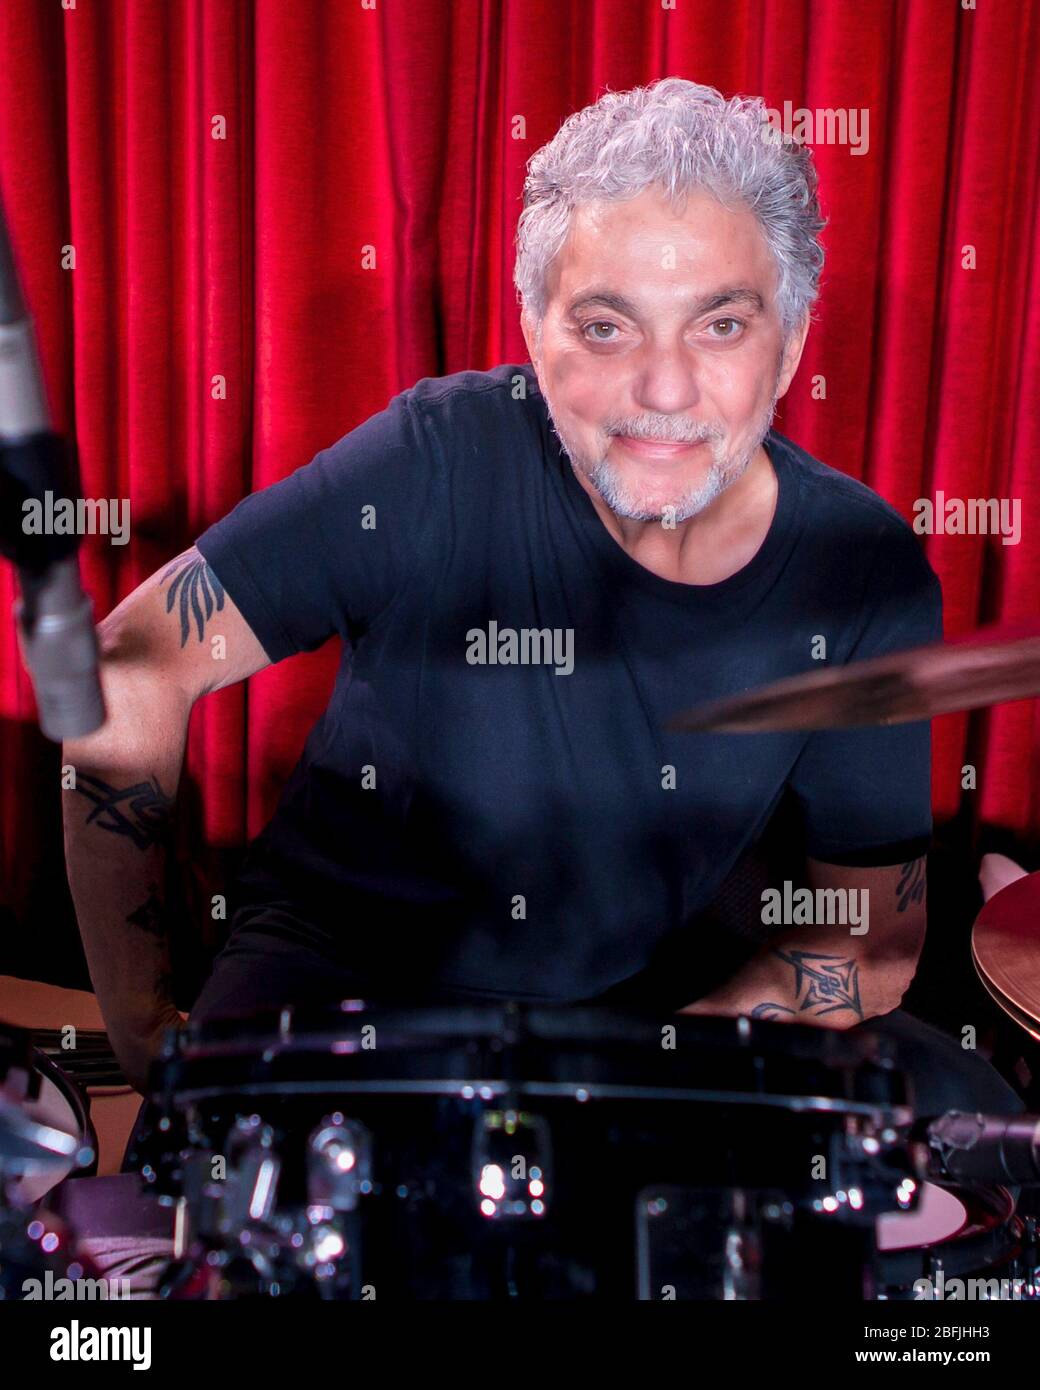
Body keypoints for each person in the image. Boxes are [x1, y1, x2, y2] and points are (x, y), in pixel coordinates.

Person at [60, 78, 1012, 1111]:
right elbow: (127, 672)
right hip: (336, 977)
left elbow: (865, 940)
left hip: (634, 1004)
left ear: (787, 341)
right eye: (605, 328)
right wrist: (143, 1025)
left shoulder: (859, 572)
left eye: (720, 326)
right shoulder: (436, 455)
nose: (662, 388)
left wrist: (620, 1077)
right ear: (533, 330)